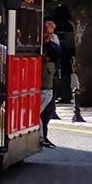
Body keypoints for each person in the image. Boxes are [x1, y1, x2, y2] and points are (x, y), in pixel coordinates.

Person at [40, 19, 62, 148]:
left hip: (48, 85)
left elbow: (57, 54)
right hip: (41, 85)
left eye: (51, 34)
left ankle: (44, 136)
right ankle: (42, 136)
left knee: (47, 111)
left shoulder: (54, 47)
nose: (48, 36)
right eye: (46, 33)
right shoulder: (39, 44)